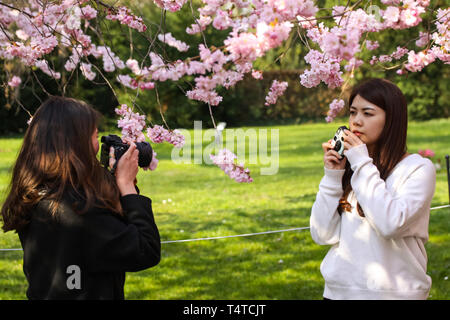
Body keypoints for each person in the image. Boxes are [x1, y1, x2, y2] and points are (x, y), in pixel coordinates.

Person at [0, 96, 161, 300]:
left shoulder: (37, 193)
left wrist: (113, 181)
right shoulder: (79, 210)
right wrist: (126, 185)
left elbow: (97, 237)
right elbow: (145, 250)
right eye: (95, 136)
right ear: (77, 143)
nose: (97, 145)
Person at [310, 78, 436, 300]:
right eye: (352, 112)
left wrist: (360, 162)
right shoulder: (351, 168)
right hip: (338, 293)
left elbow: (390, 224)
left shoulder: (417, 169)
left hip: (395, 294)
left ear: (391, 120)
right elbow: (322, 234)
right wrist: (332, 176)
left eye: (368, 114)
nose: (356, 121)